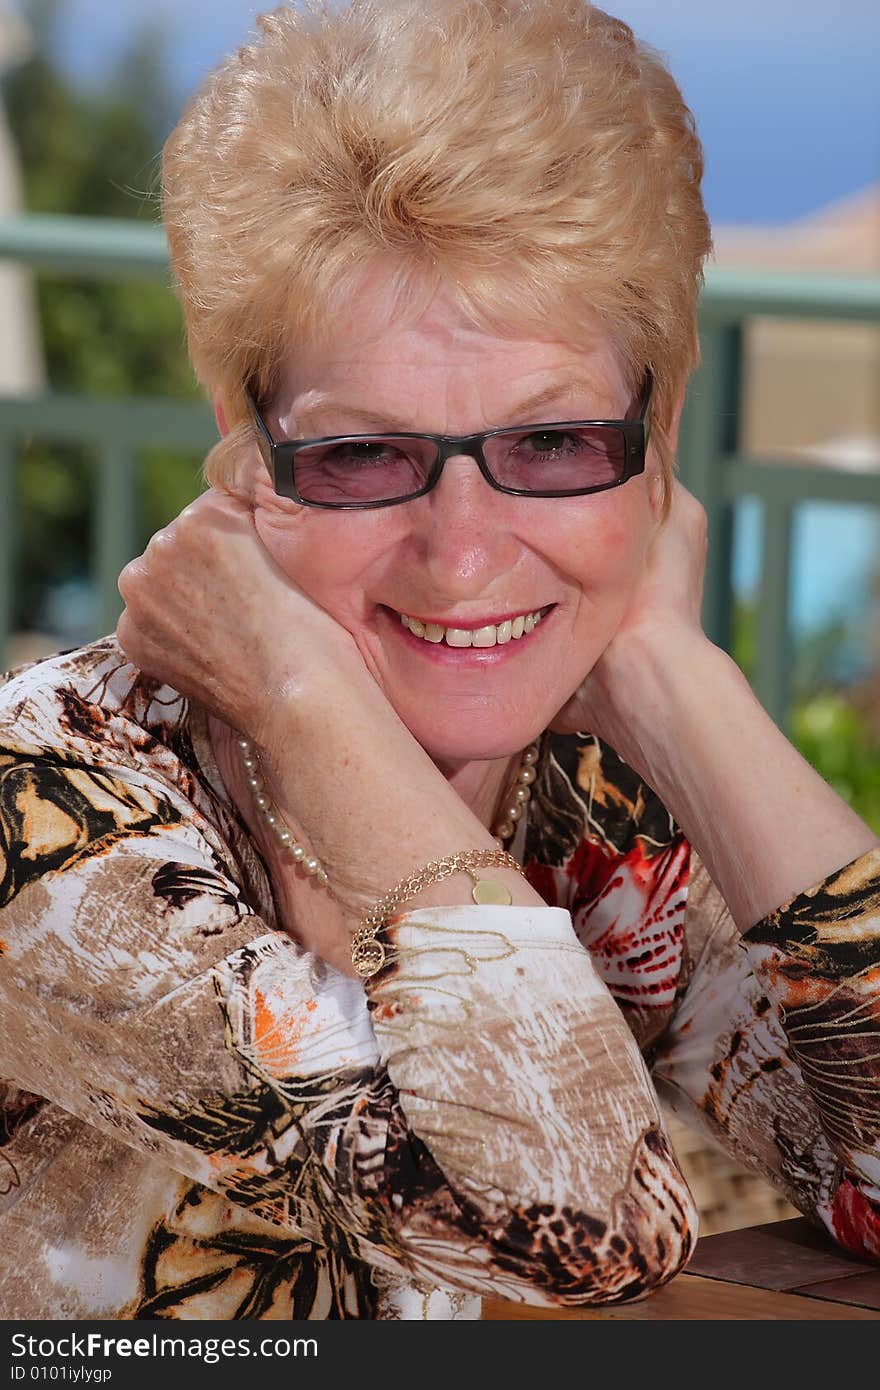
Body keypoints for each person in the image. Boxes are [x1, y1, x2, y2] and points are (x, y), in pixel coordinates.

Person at [1, 0, 878, 1322]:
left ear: (661, 437)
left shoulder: (587, 802)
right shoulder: (60, 813)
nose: (462, 557)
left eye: (557, 445)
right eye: (364, 453)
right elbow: (584, 1226)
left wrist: (666, 668)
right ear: (248, 456)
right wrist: (303, 700)